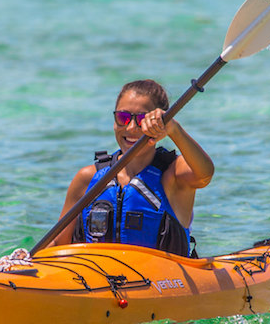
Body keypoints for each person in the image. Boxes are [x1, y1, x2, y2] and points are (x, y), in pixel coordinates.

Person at [49, 79, 214, 255]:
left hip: (160, 278)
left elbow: (205, 174)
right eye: (123, 118)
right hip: (94, 275)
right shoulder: (88, 178)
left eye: (142, 119)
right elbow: (58, 244)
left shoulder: (173, 175)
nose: (131, 127)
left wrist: (174, 129)